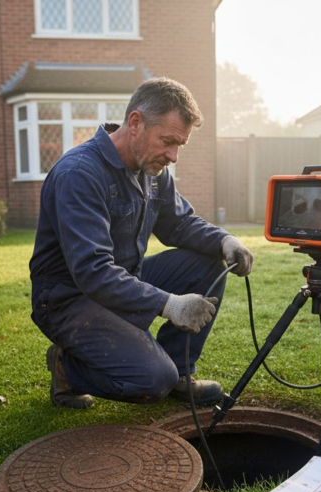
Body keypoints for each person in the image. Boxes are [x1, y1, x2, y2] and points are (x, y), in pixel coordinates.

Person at [29, 78, 253, 409]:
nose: (173, 156)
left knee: (207, 262)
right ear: (135, 123)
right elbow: (92, 271)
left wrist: (224, 240)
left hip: (121, 280)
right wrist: (170, 304)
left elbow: (179, 223)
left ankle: (180, 371)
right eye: (167, 141)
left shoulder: (153, 171)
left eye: (180, 145)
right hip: (69, 299)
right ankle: (66, 367)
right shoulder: (80, 174)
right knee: (151, 380)